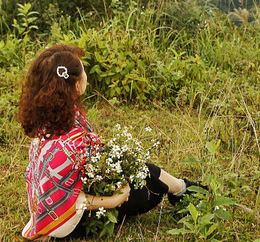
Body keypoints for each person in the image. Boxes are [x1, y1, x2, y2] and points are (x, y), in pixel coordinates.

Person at [18, 44, 201, 239]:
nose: (86, 75)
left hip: (47, 208)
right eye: (83, 71)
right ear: (77, 85)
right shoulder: (70, 141)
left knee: (144, 170)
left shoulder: (49, 118)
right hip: (67, 223)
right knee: (146, 179)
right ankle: (187, 192)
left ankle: (183, 190)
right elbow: (69, 200)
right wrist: (113, 200)